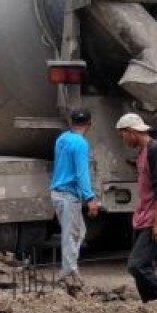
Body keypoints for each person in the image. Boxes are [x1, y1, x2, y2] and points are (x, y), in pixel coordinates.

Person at [115, 113, 157, 302]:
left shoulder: (154, 150)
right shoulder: (143, 151)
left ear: (132, 132)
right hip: (143, 215)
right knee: (145, 266)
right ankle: (150, 305)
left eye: (123, 135)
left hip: (155, 216)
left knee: (136, 265)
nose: (123, 140)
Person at [49, 108, 100, 289]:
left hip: (58, 192)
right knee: (71, 234)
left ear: (71, 122)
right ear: (90, 124)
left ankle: (70, 269)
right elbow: (81, 173)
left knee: (78, 232)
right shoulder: (80, 144)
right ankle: (68, 271)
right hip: (69, 195)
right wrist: (91, 198)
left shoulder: (62, 139)